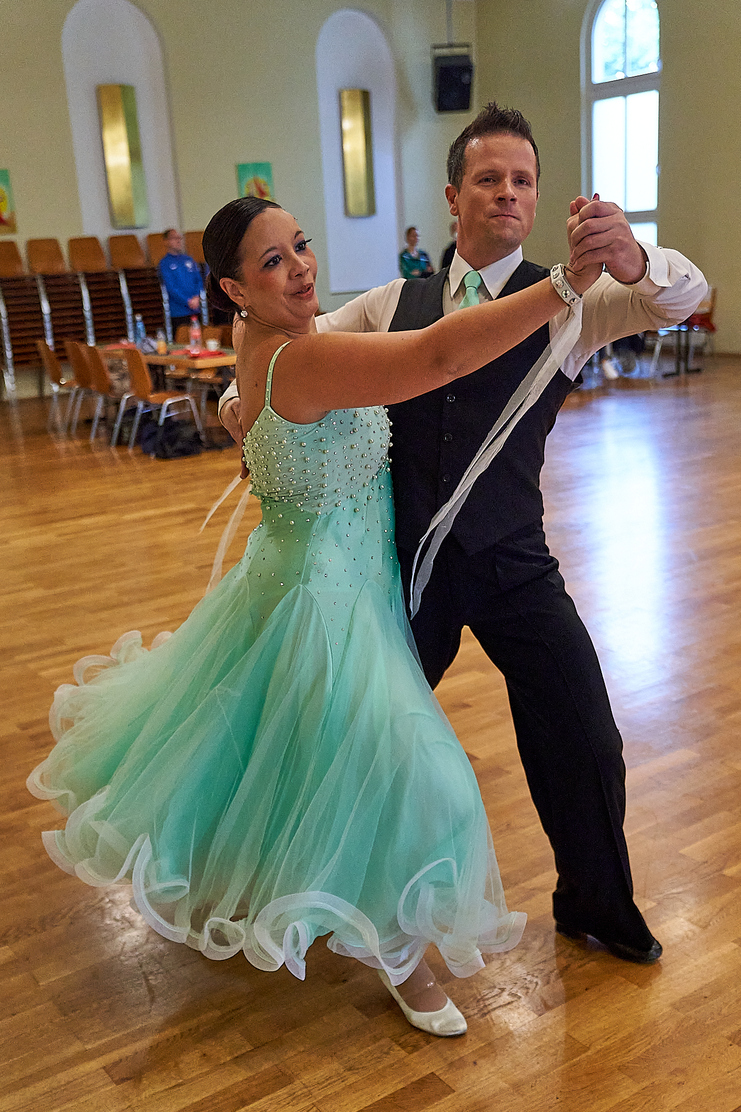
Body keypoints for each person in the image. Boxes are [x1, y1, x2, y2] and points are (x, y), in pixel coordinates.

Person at [27, 193, 601, 1038]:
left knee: (290, 764)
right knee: (414, 779)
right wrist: (562, 283)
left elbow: (247, 408)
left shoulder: (265, 343)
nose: (300, 267)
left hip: (299, 576)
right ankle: (401, 953)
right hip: (325, 607)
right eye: (273, 262)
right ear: (233, 289)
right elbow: (440, 356)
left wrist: (236, 409)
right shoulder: (303, 363)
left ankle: (349, 921)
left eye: (299, 245)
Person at [220, 102, 708, 965]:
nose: (507, 194)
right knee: (362, 740)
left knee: (584, 733)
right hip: (407, 568)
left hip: (516, 563)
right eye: (488, 178)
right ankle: (322, 896)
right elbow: (286, 357)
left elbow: (683, 296)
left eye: (522, 180)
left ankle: (595, 904)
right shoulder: (392, 301)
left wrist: (632, 258)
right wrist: (240, 416)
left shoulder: (578, 304)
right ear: (454, 195)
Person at [157, 228, 205, 331]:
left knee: (198, 337)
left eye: (179, 238)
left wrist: (197, 297)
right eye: (174, 238)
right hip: (179, 311)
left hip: (195, 308)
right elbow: (170, 287)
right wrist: (187, 301)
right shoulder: (165, 263)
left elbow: (198, 280)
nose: (178, 241)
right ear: (166, 241)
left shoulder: (189, 259)